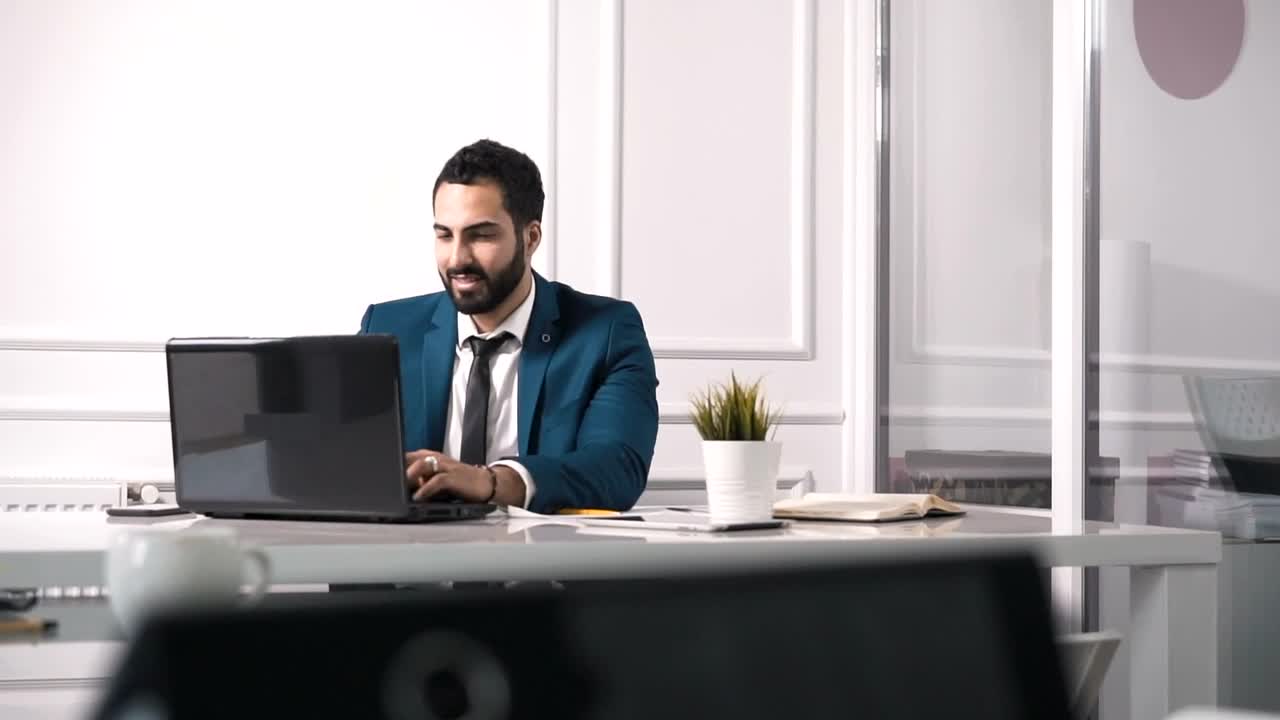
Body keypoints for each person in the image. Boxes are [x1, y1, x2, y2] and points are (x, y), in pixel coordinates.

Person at [360, 139, 658, 513]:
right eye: (444, 234)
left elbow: (617, 470)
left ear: (530, 237)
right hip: (412, 563)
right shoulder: (388, 328)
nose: (457, 258)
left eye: (481, 235)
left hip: (542, 565)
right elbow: (344, 458)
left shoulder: (606, 332)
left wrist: (492, 482)